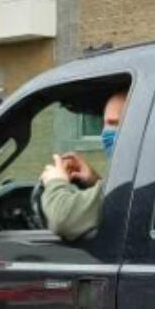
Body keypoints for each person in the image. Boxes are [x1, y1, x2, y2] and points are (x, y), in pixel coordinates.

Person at [39, 90, 127, 242]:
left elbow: (63, 220)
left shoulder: (135, 181)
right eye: (106, 124)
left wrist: (55, 182)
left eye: (115, 124)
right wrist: (94, 179)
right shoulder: (148, 172)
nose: (106, 133)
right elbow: (119, 202)